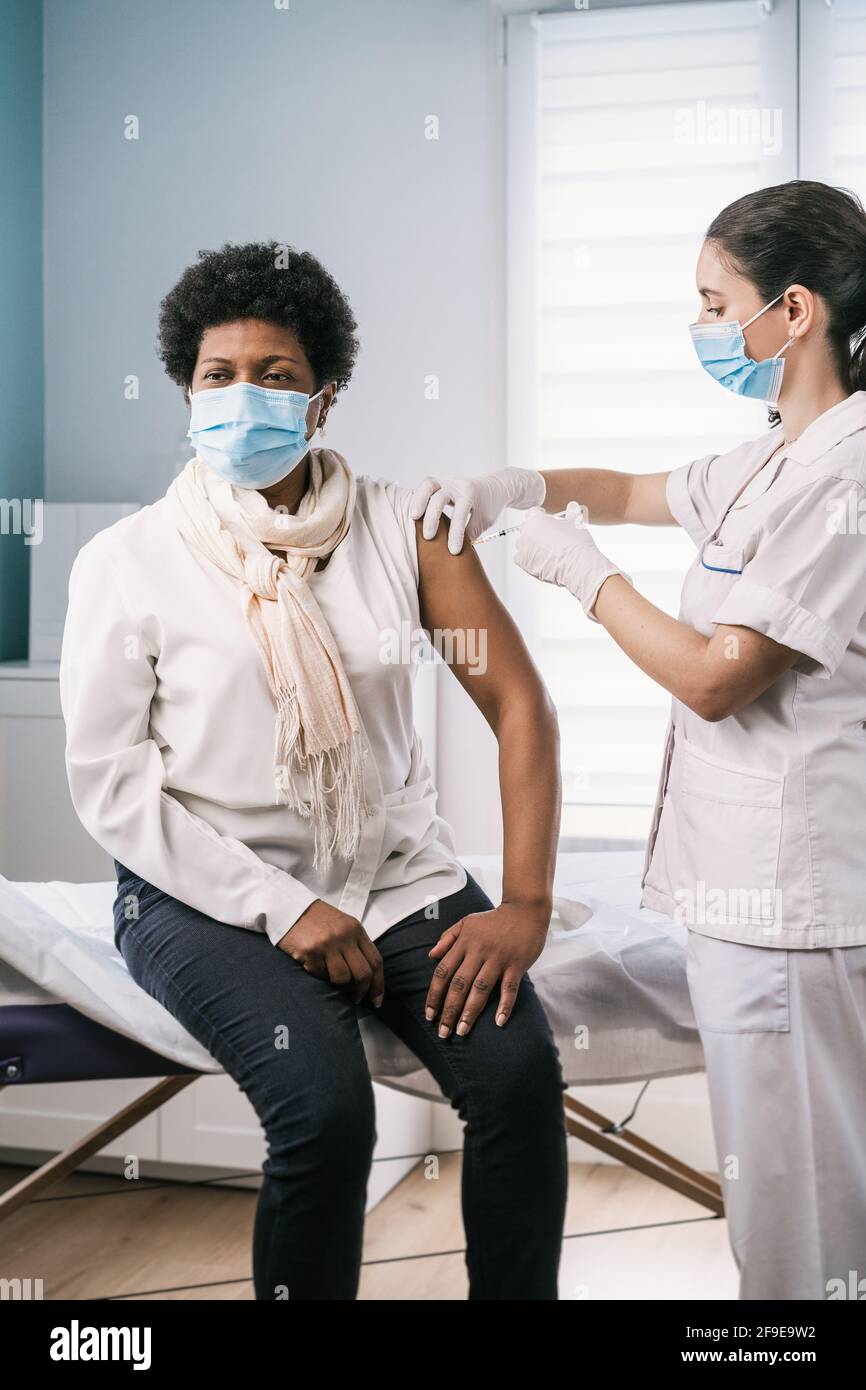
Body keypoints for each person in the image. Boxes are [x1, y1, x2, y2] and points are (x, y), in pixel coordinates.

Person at [59, 241, 568, 1301]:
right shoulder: (126, 562)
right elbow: (112, 786)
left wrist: (523, 903)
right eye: (217, 376)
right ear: (185, 394)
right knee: (327, 1110)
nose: (243, 396)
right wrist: (281, 908)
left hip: (394, 877)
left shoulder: (408, 532)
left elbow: (517, 705)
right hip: (203, 892)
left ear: (323, 399)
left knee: (517, 1078)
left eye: (276, 375)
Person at [412, 180, 866, 1301]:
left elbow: (717, 678)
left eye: (716, 304)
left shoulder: (843, 476)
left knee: (801, 1218)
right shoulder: (774, 451)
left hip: (794, 905)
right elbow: (623, 487)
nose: (704, 326)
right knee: (784, 1203)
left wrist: (585, 577)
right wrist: (511, 484)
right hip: (741, 896)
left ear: (793, 310)